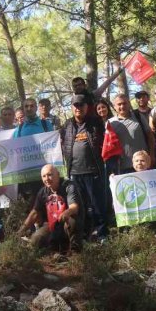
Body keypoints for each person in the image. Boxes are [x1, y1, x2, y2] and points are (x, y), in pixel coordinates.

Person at [61, 94, 109, 241]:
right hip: (74, 173)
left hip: (93, 171)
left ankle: (103, 235)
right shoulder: (67, 125)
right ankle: (84, 236)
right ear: (72, 108)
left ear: (86, 107)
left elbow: (107, 139)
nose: (78, 108)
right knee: (80, 208)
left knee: (98, 205)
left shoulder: (95, 123)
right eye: (75, 105)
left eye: (81, 105)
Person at [18, 164, 81, 253]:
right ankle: (53, 249)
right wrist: (22, 229)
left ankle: (75, 252)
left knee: (72, 220)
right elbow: (34, 213)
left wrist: (66, 213)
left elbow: (74, 207)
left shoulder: (69, 186)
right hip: (51, 224)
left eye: (50, 175)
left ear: (58, 175)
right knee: (35, 240)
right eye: (44, 176)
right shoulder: (43, 191)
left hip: (65, 222)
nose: (46, 179)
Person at [108, 94, 154, 175]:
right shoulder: (110, 123)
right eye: (119, 104)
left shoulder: (138, 116)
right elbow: (108, 147)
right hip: (122, 167)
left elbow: (150, 136)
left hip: (142, 165)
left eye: (124, 103)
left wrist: (152, 155)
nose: (122, 106)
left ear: (129, 104)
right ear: (114, 106)